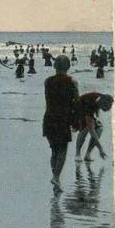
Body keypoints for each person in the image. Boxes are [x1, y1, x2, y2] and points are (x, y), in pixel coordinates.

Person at [43, 55, 79, 193]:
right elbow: (77, 103)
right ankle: (56, 177)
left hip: (49, 117)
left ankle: (55, 179)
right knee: (63, 150)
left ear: (54, 66)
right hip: (63, 119)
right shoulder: (72, 82)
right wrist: (76, 121)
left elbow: (48, 99)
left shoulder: (47, 81)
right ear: (68, 67)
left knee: (54, 151)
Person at [74, 93, 113, 162]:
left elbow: (96, 112)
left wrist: (95, 121)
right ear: (100, 102)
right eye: (102, 107)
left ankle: (88, 154)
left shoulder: (101, 97)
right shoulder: (89, 103)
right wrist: (100, 149)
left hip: (88, 111)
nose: (101, 108)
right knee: (85, 129)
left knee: (99, 129)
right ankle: (77, 153)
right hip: (76, 111)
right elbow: (91, 129)